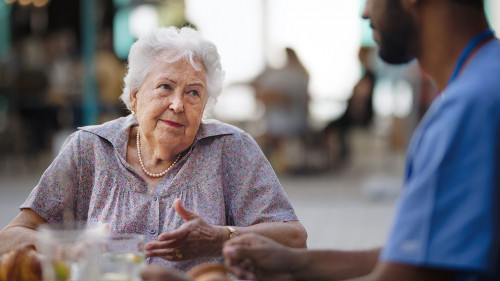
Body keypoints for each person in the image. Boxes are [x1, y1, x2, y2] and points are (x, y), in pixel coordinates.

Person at [221, 1, 500, 281]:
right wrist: (295, 262)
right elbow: (423, 253)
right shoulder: (487, 78)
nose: (364, 12)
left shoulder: (468, 109)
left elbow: (409, 273)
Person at [0, 26, 307, 271]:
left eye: (193, 93)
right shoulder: (89, 149)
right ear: (134, 96)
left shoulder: (231, 149)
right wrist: (71, 250)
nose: (177, 104)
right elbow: (10, 237)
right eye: (165, 87)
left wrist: (221, 238)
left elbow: (294, 238)